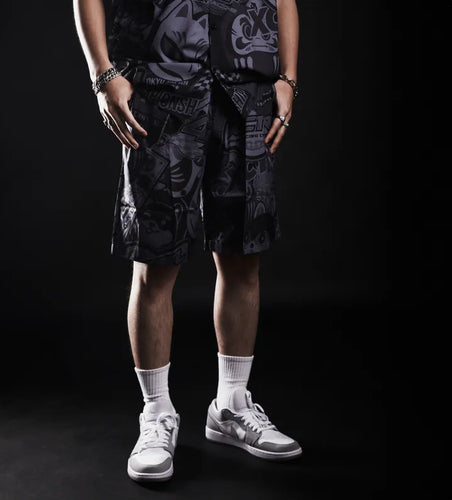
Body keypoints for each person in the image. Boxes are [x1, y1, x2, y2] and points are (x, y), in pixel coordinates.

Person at [73, 0, 301, 482]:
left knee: (243, 255)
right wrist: (102, 74)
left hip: (247, 89)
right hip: (161, 85)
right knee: (155, 260)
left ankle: (232, 406)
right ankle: (156, 413)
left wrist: (288, 76)